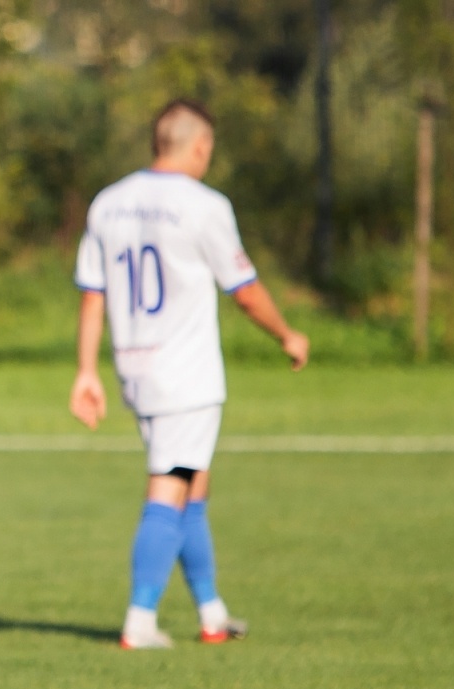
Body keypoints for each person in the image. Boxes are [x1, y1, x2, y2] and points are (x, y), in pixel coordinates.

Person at [69, 99, 309, 649]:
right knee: (171, 485)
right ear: (200, 146)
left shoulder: (110, 202)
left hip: (135, 368)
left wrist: (87, 370)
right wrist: (287, 334)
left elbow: (92, 295)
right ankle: (140, 621)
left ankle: (212, 614)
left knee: (191, 485)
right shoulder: (205, 206)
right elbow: (245, 291)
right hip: (186, 374)